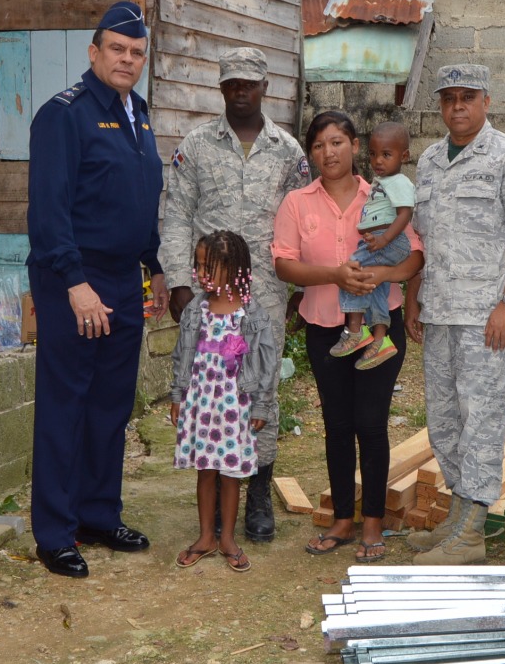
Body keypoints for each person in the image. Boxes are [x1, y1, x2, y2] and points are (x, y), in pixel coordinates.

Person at [26, 0, 168, 579]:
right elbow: (49, 211)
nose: (127, 59)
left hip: (124, 278)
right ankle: (55, 533)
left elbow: (140, 201)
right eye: (117, 49)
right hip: (73, 279)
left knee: (111, 404)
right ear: (94, 52)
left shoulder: (141, 116)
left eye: (136, 52)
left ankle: (98, 515)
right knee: (67, 405)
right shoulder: (65, 115)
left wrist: (155, 264)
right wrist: (76, 283)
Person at [160, 47, 309, 543]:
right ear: (221, 89)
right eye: (232, 84)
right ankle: (214, 497)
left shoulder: (288, 152)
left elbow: (303, 220)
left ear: (266, 87)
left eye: (249, 83)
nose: (240, 91)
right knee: (208, 390)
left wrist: (299, 289)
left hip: (264, 292)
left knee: (259, 388)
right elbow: (177, 213)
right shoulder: (197, 146)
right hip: (209, 298)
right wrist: (181, 280)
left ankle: (259, 492)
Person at [406, 64, 505, 565]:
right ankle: (458, 517)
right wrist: (415, 296)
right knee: (444, 422)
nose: (457, 107)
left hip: (488, 317)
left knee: (481, 420)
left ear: (486, 101)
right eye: (448, 99)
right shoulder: (429, 161)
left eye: (467, 97)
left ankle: (473, 534)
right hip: (441, 312)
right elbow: (422, 237)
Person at [273, 111, 425, 563]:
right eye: (319, 145)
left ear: (355, 146)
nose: (328, 152)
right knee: (338, 426)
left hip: (382, 326)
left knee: (371, 423)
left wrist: (380, 273)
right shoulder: (297, 203)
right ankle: (342, 517)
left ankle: (373, 522)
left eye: (337, 142)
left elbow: (416, 255)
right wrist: (335, 276)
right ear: (311, 153)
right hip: (325, 328)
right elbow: (284, 264)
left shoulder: (382, 191)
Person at [168, 231, 278, 574]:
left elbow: (266, 365)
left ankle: (228, 539)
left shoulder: (251, 315)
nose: (201, 274)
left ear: (234, 270)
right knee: (205, 471)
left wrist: (261, 406)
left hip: (234, 407)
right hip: (201, 403)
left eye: (209, 267)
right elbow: (181, 356)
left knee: (230, 475)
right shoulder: (195, 310)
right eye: (199, 265)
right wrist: (177, 395)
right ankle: (205, 537)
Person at [331, 121, 416, 371]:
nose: (378, 160)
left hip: (389, 241)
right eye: (373, 154)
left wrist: (383, 240)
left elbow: (405, 214)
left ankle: (355, 330)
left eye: (386, 155)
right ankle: (380, 340)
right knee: (374, 287)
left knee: (353, 270)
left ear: (404, 156)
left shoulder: (399, 181)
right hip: (379, 239)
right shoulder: (382, 181)